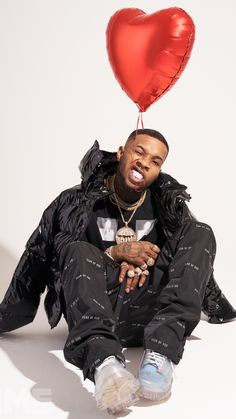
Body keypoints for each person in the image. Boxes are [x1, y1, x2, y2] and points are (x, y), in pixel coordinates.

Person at [0, 129, 235, 414]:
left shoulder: (167, 204)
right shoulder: (75, 200)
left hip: (150, 310)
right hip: (99, 307)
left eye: (155, 160)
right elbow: (47, 254)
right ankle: (105, 367)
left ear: (159, 169)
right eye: (139, 152)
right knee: (76, 249)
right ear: (122, 152)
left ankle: (160, 353)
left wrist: (145, 260)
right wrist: (115, 253)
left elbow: (191, 255)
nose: (145, 163)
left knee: (201, 232)